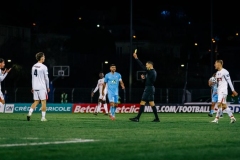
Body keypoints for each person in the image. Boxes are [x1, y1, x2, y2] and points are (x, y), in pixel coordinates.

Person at [129, 51, 160, 122]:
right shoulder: (152, 72)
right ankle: (157, 118)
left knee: (142, 102)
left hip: (149, 88)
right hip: (151, 88)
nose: (146, 66)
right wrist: (144, 78)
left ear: (150, 65)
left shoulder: (151, 71)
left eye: (147, 65)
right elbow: (150, 79)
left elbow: (142, 66)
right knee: (152, 103)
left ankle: (137, 118)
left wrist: (136, 58)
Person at [27, 52, 50, 122]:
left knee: (36, 101)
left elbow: (33, 77)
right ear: (41, 58)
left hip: (35, 87)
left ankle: (29, 113)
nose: (44, 58)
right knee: (43, 102)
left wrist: (32, 87)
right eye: (44, 56)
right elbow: (46, 78)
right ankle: (43, 118)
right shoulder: (44, 67)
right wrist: (48, 87)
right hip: (42, 87)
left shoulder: (33, 66)